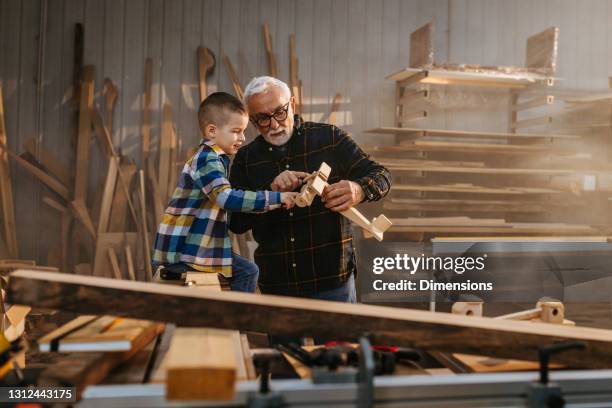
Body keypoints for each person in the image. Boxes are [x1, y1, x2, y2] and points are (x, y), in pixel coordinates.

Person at [229, 76, 391, 302]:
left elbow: (381, 175)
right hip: (278, 285)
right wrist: (270, 192)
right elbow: (235, 222)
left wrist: (358, 189)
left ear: (292, 105)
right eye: (263, 119)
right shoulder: (245, 159)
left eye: (280, 112)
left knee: (339, 340)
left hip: (333, 282)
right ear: (253, 121)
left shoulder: (329, 138)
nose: (274, 124)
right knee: (285, 340)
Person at [152, 92, 297, 292]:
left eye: (244, 131)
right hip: (184, 252)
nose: (243, 138)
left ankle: (231, 317)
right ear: (212, 131)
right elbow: (225, 198)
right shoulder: (207, 159)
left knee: (246, 271)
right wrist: (277, 198)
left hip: (199, 248)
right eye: (236, 131)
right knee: (248, 272)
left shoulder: (215, 159)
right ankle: (236, 321)